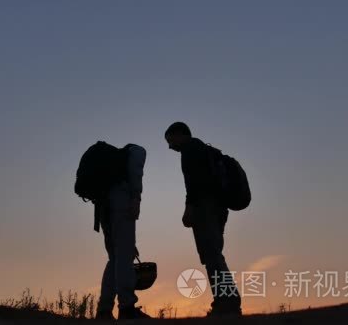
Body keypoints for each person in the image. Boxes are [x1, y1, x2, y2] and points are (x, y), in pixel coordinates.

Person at [165, 122, 242, 316]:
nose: (170, 146)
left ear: (180, 134)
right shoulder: (206, 150)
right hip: (219, 207)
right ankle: (225, 301)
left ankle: (228, 301)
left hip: (205, 208)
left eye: (170, 140)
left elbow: (193, 182)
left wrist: (189, 208)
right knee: (214, 254)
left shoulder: (190, 150)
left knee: (212, 255)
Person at [94, 143, 150, 320]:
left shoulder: (109, 166)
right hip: (121, 202)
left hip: (103, 207)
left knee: (115, 258)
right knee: (124, 257)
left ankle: (104, 310)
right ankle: (127, 308)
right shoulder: (137, 151)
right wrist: (136, 198)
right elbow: (136, 174)